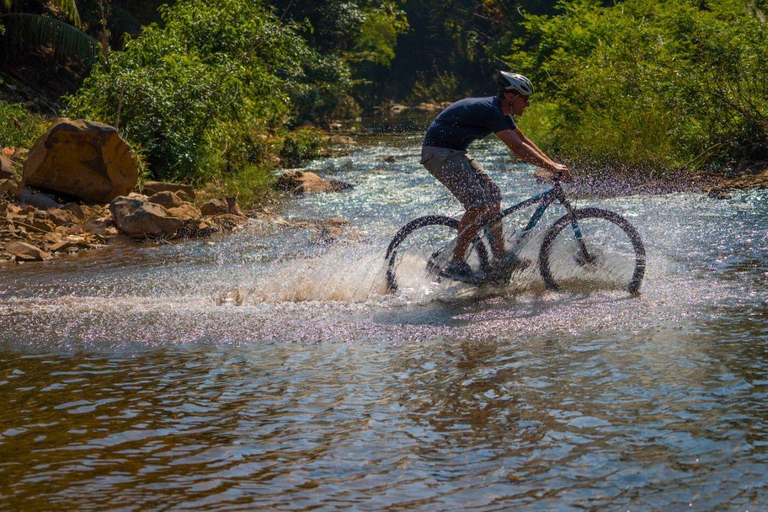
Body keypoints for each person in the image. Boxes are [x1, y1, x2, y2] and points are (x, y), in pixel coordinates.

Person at [420, 71, 571, 282]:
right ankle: (456, 263)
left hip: (454, 152)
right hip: (438, 153)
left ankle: (500, 258)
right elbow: (517, 148)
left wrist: (552, 165)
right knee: (478, 205)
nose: (527, 104)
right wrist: (551, 167)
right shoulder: (491, 111)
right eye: (525, 99)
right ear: (511, 97)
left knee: (492, 196)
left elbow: (522, 138)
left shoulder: (502, 112)